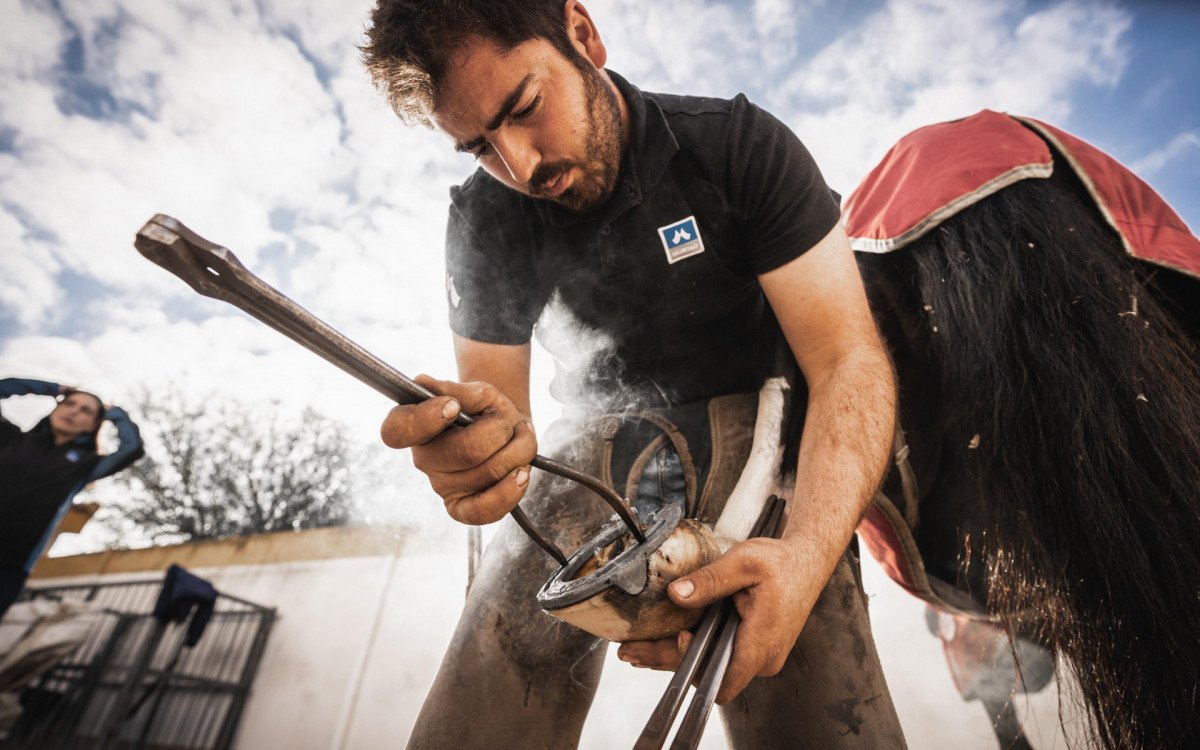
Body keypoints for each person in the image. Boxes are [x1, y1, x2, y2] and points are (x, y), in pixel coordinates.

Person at [363, 1, 904, 747]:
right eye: (478, 146)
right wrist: (476, 463)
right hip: (591, 443)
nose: (519, 167)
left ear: (582, 35)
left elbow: (848, 359)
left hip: (765, 431)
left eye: (524, 108)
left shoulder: (738, 147)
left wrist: (808, 558)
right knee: (499, 654)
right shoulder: (486, 218)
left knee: (815, 703)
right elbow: (505, 426)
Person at [0, 378, 144, 618]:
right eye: (69, 404)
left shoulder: (86, 465)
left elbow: (131, 448)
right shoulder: (10, 438)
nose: (74, 411)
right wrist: (53, 389)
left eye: (85, 410)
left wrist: (115, 413)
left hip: (10, 565)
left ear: (92, 425)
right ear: (56, 408)